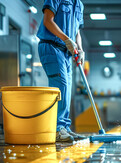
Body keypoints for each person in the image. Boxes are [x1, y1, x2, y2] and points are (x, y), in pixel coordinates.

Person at [37, 0, 86, 142]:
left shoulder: (79, 4)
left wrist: (80, 49)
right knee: (61, 87)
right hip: (51, 46)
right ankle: (57, 129)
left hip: (67, 52)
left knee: (67, 90)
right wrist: (66, 39)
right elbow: (48, 21)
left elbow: (77, 31)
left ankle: (64, 127)